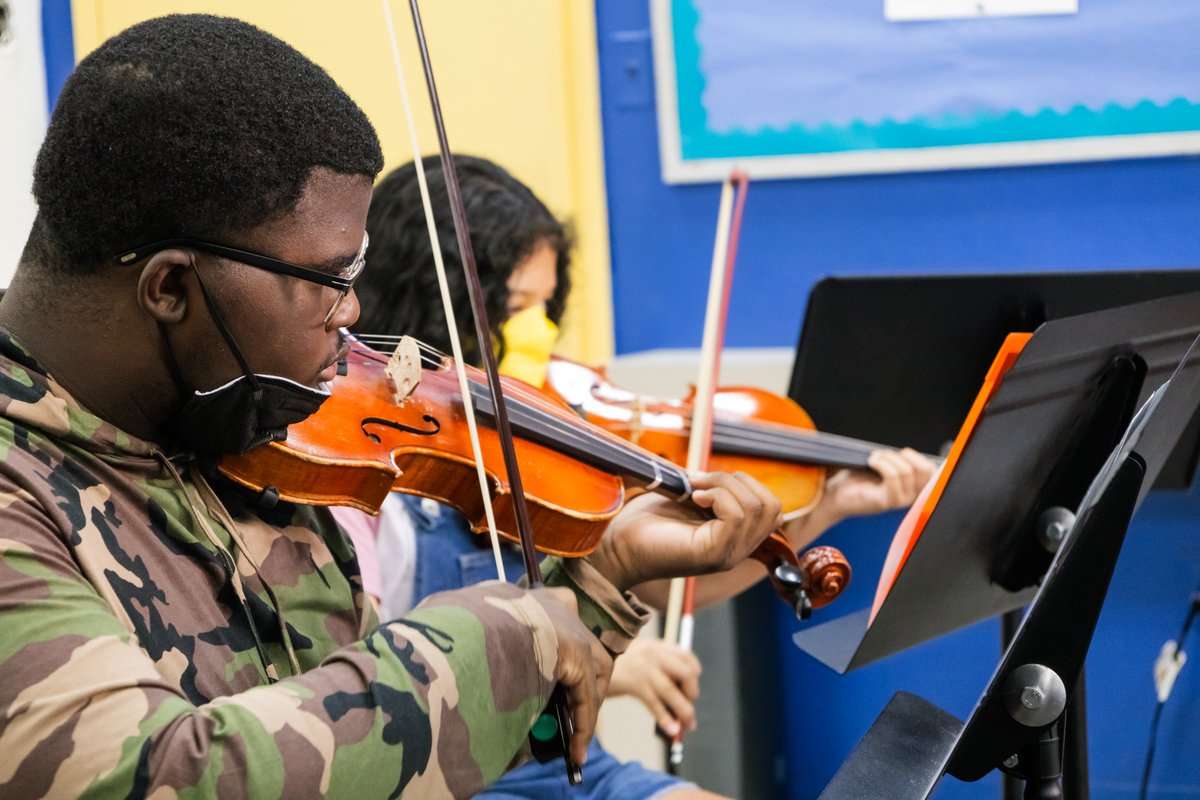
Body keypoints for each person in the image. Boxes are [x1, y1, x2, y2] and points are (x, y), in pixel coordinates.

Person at [0, 16, 790, 799]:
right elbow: (164, 778)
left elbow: (390, 761)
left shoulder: (228, 427)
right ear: (171, 288)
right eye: (329, 279)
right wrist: (509, 630)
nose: (352, 313)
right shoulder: (21, 494)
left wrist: (603, 577)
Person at [335, 156, 936, 798]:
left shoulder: (529, 446)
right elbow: (369, 690)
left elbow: (665, 586)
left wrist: (826, 505)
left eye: (546, 308)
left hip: (566, 768)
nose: (540, 336)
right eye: (516, 308)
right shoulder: (368, 477)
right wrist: (598, 668)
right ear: (438, 303)